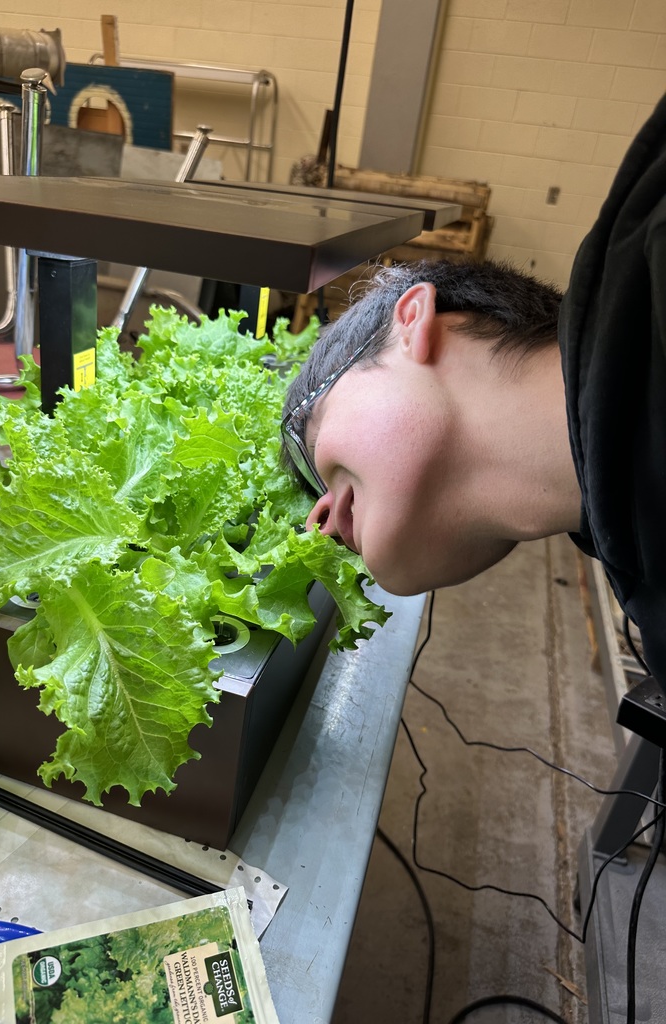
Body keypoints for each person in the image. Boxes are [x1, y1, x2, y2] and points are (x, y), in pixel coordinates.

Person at [281, 91, 666, 686]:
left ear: (413, 323)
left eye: (316, 430)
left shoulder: (655, 247)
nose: (319, 522)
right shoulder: (641, 555)